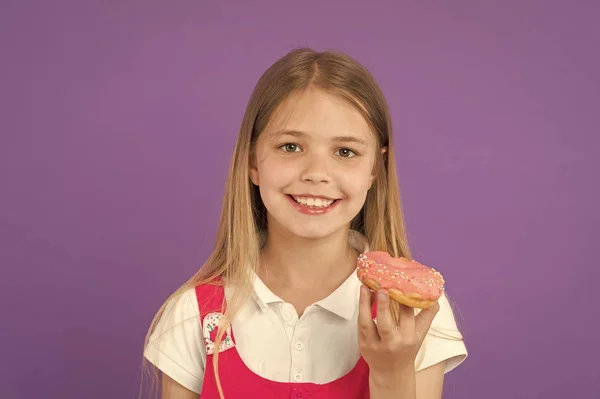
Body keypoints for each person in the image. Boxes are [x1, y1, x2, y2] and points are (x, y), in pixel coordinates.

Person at [143, 48, 467, 399]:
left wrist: (393, 374)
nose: (316, 173)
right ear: (253, 160)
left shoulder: (414, 316)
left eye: (345, 152)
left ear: (376, 168)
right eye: (291, 146)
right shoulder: (193, 315)